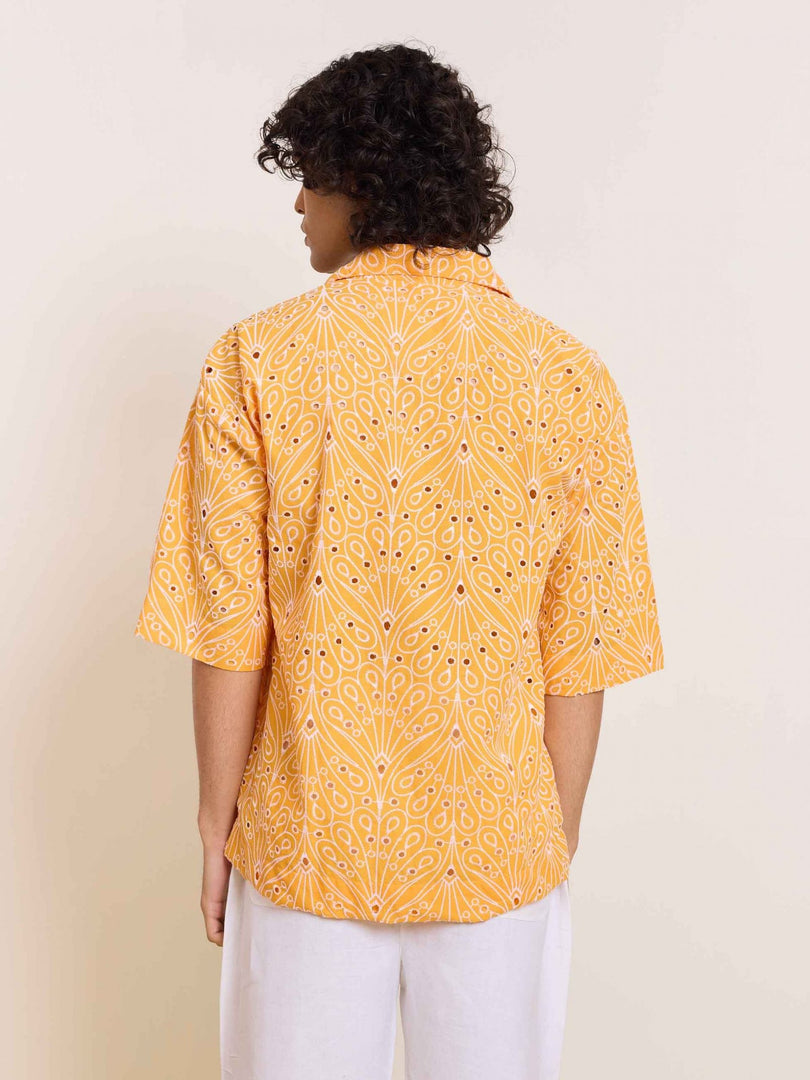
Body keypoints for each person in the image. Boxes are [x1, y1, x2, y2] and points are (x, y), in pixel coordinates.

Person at [134, 42, 664, 1080]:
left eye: (310, 178)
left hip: (304, 839)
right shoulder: (568, 376)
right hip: (500, 847)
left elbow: (230, 629)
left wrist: (214, 823)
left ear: (362, 181)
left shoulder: (257, 360)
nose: (299, 206)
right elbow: (583, 649)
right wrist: (547, 842)